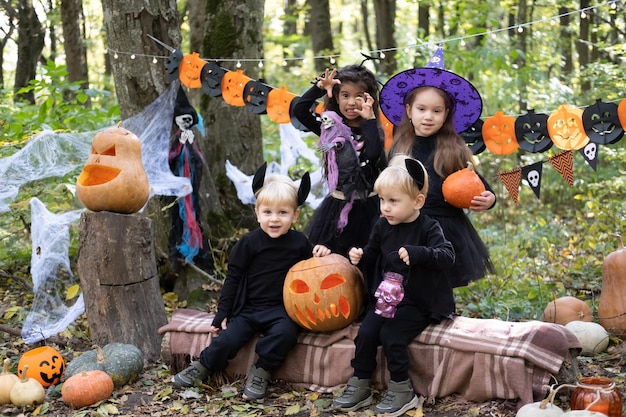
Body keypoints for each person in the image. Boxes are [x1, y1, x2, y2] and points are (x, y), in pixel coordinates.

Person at [171, 163, 328, 402]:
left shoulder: (300, 243)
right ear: (257, 213)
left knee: (285, 334)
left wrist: (321, 254)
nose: (274, 219)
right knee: (228, 339)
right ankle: (203, 366)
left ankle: (261, 370)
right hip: (249, 309)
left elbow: (313, 272)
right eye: (267, 213)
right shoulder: (248, 243)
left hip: (283, 310)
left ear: (295, 215)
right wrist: (222, 312)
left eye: (282, 213)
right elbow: (233, 279)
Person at [331, 156, 455, 416]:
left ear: (417, 201)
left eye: (393, 201)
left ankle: (402, 390)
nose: (385, 208)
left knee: (391, 336)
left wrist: (418, 253)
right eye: (382, 200)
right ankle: (360, 382)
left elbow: (447, 255)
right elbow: (373, 252)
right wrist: (360, 255)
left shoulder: (429, 227)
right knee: (366, 333)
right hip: (387, 298)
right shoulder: (383, 224)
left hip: (418, 300)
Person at [382, 46, 496, 287]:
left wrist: (489, 199)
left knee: (439, 281)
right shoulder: (400, 146)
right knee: (407, 277)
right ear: (409, 110)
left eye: (436, 111)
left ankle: (443, 315)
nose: (428, 116)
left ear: (446, 114)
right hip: (408, 222)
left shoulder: (454, 148)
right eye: (421, 109)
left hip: (443, 227)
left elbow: (477, 183)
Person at [292, 64, 386, 257]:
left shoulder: (373, 129)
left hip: (369, 207)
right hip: (337, 206)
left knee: (366, 261)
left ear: (369, 98)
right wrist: (318, 88)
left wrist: (368, 120)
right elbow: (300, 111)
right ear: (336, 97)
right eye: (345, 95)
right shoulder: (329, 127)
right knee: (332, 261)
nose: (351, 102)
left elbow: (374, 154)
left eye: (358, 96)